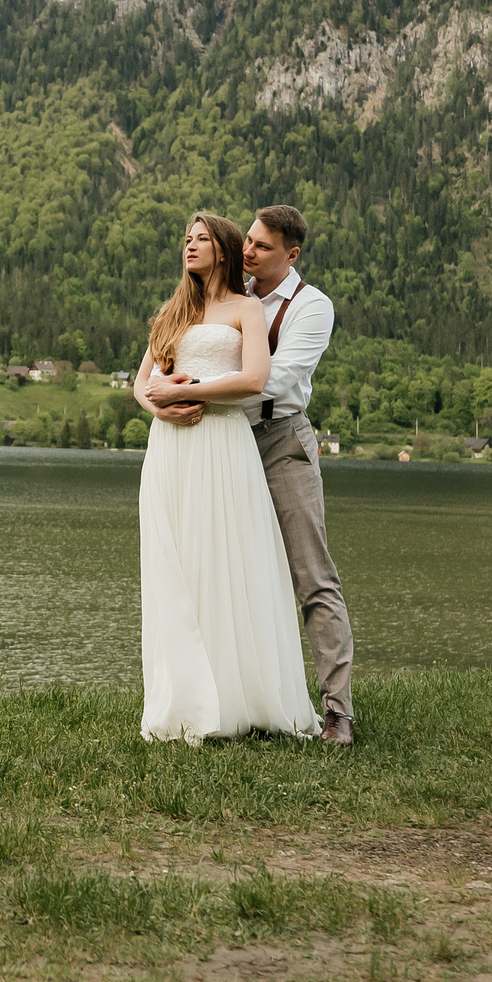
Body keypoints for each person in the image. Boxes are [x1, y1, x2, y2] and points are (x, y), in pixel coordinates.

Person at [130, 213, 322, 744]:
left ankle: (239, 700)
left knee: (225, 563)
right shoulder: (173, 311)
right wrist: (161, 407)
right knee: (177, 567)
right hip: (170, 449)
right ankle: (184, 701)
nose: (190, 246)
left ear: (226, 248)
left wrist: (191, 391)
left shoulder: (246, 311)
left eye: (202, 239)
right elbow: (141, 383)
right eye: (186, 239)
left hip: (222, 444)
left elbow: (257, 380)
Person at [241, 204, 356, 744]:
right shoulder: (229, 297)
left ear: (292, 253)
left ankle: (337, 711)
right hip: (229, 444)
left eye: (262, 246)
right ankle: (250, 703)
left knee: (313, 578)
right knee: (237, 576)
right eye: (247, 240)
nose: (248, 251)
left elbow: (280, 380)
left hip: (284, 442)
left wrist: (203, 388)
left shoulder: (312, 307)